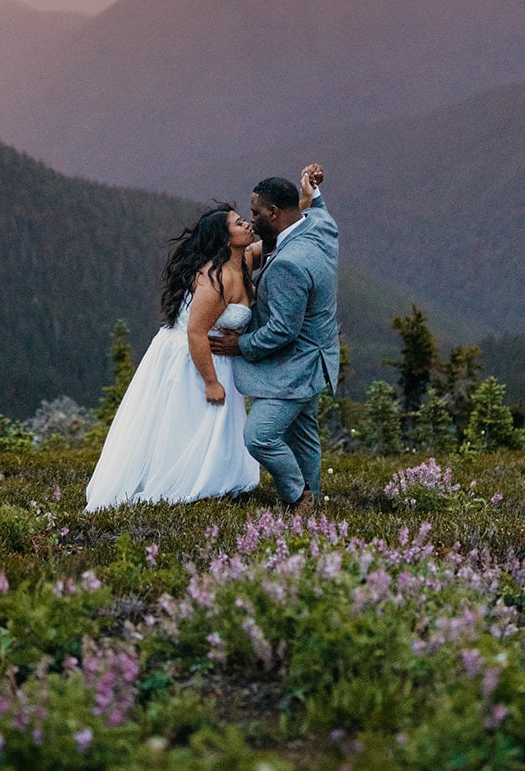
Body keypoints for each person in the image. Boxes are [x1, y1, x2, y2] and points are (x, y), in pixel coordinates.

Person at [84, 203, 260, 510]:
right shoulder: (214, 278)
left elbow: (276, 239)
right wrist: (210, 382)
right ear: (223, 238)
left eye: (245, 220)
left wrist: (309, 201)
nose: (247, 225)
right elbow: (195, 332)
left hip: (218, 358)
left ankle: (216, 482)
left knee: (215, 425)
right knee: (189, 423)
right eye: (238, 223)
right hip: (192, 359)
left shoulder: (241, 259)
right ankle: (189, 484)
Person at [209, 163, 339, 514]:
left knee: (260, 436)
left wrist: (240, 345)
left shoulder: (288, 264)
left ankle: (298, 497)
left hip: (298, 367)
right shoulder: (319, 227)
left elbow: (283, 330)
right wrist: (312, 191)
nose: (252, 221)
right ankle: (314, 499)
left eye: (255, 213)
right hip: (321, 357)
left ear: (274, 213)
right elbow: (319, 211)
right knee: (302, 433)